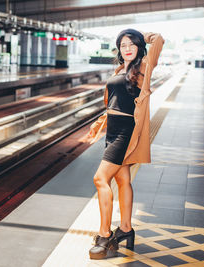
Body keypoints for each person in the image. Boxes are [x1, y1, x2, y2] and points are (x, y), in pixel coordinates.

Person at [87, 29, 164, 260]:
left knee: (100, 179)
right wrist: (99, 122)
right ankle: (127, 229)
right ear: (118, 50)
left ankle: (105, 235)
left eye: (132, 44)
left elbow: (158, 39)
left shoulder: (144, 67)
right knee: (122, 179)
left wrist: (140, 35)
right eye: (123, 45)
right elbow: (114, 103)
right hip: (112, 130)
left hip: (126, 132)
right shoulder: (121, 70)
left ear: (140, 46)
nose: (127, 48)